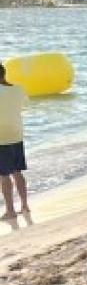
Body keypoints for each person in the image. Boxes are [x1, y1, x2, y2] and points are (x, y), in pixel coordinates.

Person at [0, 63, 30, 219]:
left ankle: (10, 211)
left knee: (3, 175)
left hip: (1, 139)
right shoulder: (18, 89)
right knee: (17, 172)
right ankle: (25, 205)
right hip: (16, 135)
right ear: (4, 74)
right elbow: (24, 106)